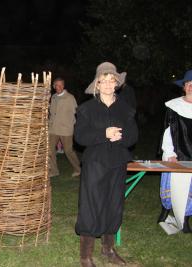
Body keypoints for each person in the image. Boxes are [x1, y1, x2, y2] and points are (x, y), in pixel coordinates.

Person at [74, 62, 138, 267]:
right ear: (97, 85)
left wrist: (121, 137)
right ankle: (86, 255)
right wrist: (103, 134)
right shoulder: (86, 109)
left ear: (117, 84)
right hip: (95, 163)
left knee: (114, 205)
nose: (109, 85)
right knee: (91, 206)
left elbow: (134, 136)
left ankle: (108, 249)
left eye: (112, 80)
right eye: (104, 81)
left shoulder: (125, 109)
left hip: (117, 163)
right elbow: (80, 136)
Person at [158, 69, 192, 234]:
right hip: (176, 155)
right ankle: (164, 213)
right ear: (184, 87)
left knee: (190, 190)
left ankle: (185, 220)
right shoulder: (174, 107)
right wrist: (169, 152)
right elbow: (168, 132)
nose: (191, 87)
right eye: (189, 84)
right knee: (170, 187)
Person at [48, 78, 81, 177]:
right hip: (53, 129)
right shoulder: (53, 97)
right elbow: (52, 113)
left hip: (66, 129)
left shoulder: (70, 98)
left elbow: (76, 112)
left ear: (63, 86)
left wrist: (73, 124)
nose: (59, 87)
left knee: (68, 151)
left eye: (61, 85)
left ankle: (78, 169)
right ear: (54, 87)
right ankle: (54, 171)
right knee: (49, 150)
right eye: (57, 85)